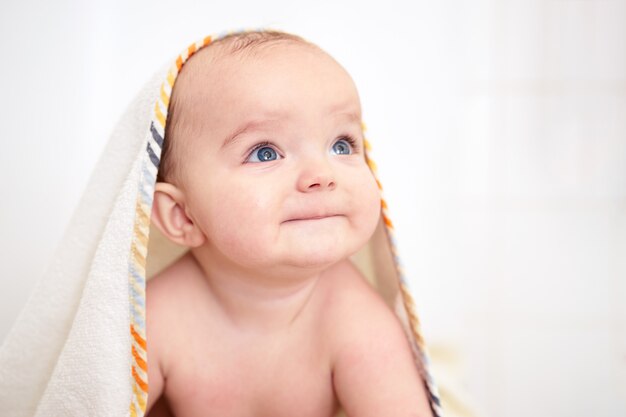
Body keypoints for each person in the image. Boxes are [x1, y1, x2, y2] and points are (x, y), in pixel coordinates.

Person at [145, 30, 434, 417]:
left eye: (342, 145)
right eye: (265, 153)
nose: (322, 174)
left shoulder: (353, 319)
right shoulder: (156, 319)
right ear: (183, 215)